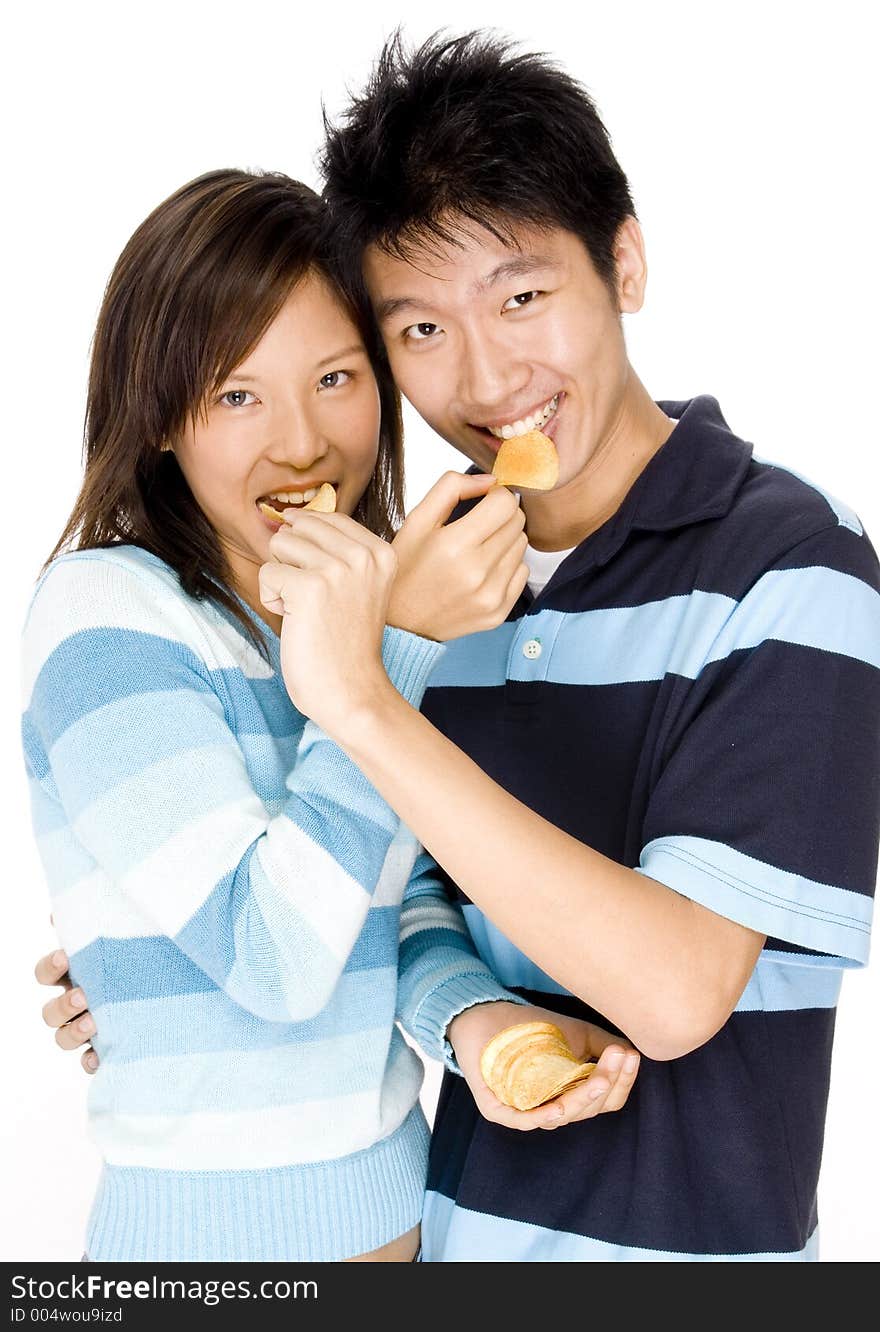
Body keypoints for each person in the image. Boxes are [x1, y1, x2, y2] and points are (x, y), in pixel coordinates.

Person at [253, 31, 880, 1261]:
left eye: (522, 297)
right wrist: (471, 1020)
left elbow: (676, 990)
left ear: (626, 263)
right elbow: (410, 896)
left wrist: (367, 701)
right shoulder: (436, 585)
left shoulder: (795, 565)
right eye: (420, 331)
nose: (486, 379)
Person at [22, 166, 640, 1263]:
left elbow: (384, 915)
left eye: (337, 377)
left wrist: (468, 1022)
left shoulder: (352, 616)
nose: (302, 443)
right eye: (235, 395)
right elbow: (273, 962)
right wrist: (388, 650)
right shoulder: (107, 611)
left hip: (411, 1227)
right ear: (160, 414)